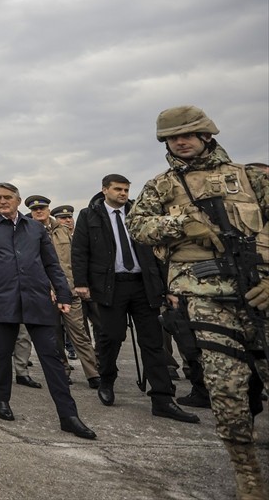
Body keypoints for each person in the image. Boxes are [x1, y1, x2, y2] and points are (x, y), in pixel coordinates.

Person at [129, 106, 269, 499]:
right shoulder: (160, 186)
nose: (181, 141)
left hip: (259, 291)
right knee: (226, 391)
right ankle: (249, 475)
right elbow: (137, 226)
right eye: (173, 137)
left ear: (207, 134)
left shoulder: (249, 177)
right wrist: (180, 224)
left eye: (188, 134)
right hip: (204, 298)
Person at [0, 182, 96, 439]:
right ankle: (2, 400)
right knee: (2, 353)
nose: (2, 201)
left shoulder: (35, 228)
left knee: (51, 357)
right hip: (2, 300)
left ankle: (68, 415)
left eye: (7, 197)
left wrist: (62, 293)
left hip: (37, 300)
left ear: (18, 200)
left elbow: (52, 264)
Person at [71, 174, 199, 424]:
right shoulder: (89, 215)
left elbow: (158, 251)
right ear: (104, 189)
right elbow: (79, 250)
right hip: (111, 286)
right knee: (110, 338)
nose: (123, 193)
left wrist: (168, 287)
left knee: (153, 342)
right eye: (118, 189)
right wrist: (81, 283)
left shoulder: (139, 215)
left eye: (126, 190)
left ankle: (162, 398)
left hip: (143, 285)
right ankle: (106, 380)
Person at [42, 202, 100, 390]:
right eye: (35, 210)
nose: (67, 220)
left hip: (70, 291)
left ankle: (93, 373)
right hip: (46, 294)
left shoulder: (63, 232)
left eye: (69, 217)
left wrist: (82, 284)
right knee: (55, 337)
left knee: (80, 334)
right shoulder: (31, 232)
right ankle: (63, 370)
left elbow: (78, 259)